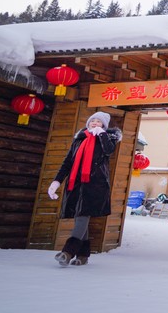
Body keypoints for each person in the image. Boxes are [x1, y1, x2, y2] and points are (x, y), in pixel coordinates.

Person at [48, 111, 122, 267]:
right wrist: (56, 182)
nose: (95, 123)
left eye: (99, 122)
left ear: (104, 126)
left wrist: (102, 135)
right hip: (75, 184)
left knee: (82, 216)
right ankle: (83, 255)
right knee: (80, 218)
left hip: (95, 186)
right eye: (92, 120)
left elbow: (109, 151)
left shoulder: (108, 139)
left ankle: (67, 252)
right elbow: (67, 163)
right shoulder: (79, 140)